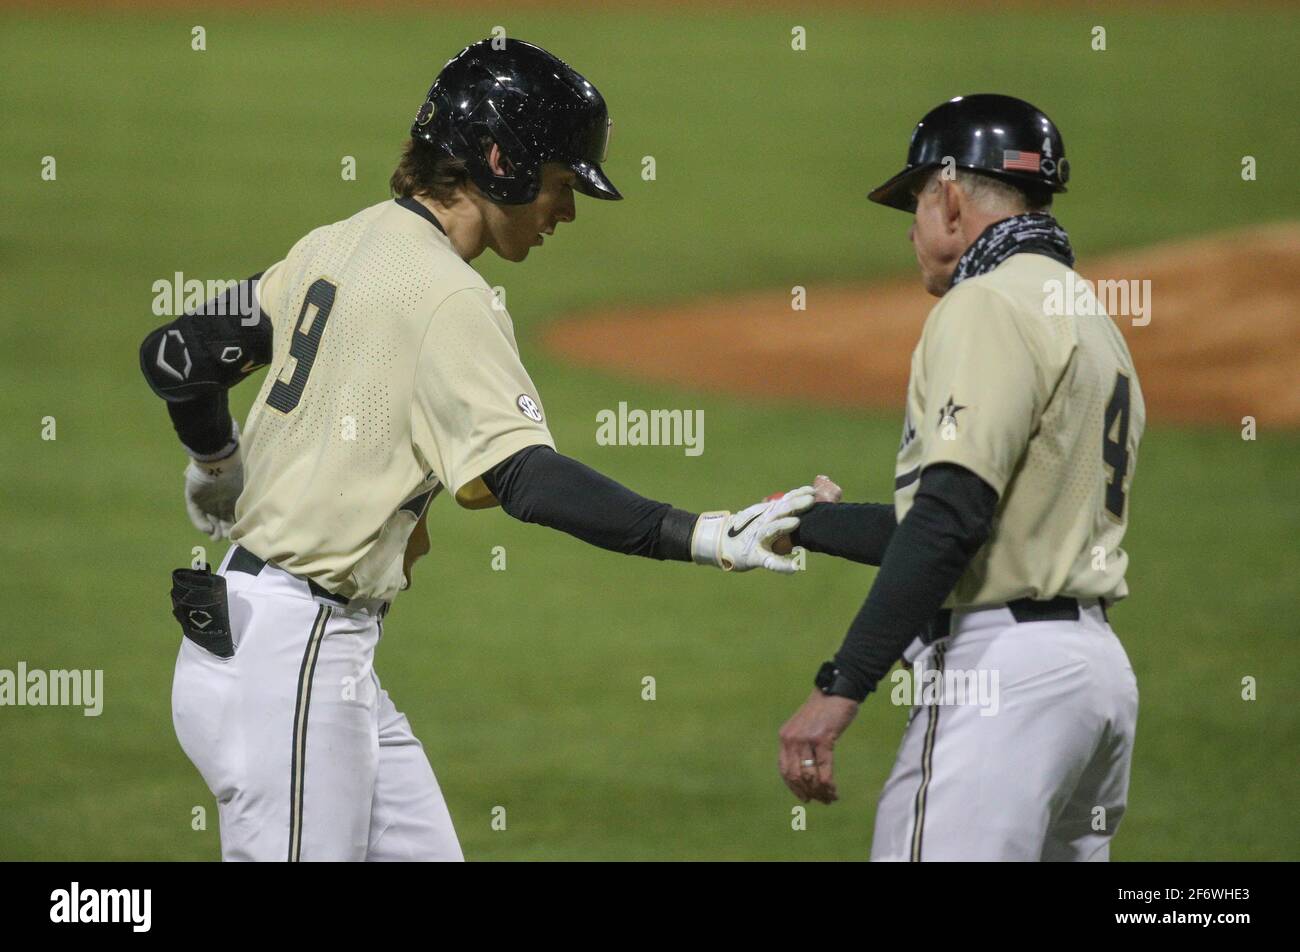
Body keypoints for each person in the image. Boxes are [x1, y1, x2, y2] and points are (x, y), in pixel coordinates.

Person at [141, 38, 812, 861]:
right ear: (501, 161)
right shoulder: (448, 296)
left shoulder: (339, 241)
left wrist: (216, 461)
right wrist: (702, 535)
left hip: (280, 645)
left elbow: (179, 353)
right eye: (564, 183)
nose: (566, 210)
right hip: (292, 661)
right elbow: (525, 478)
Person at [777, 95, 1144, 861]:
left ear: (948, 196)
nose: (911, 230)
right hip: (1093, 683)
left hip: (998, 683)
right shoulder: (1086, 313)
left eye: (913, 204)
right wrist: (805, 521)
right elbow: (987, 520)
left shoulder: (985, 305)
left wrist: (839, 686)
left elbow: (951, 515)